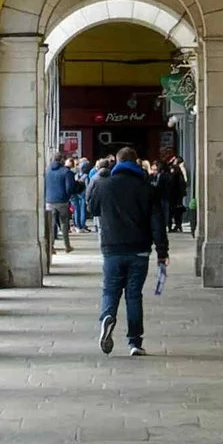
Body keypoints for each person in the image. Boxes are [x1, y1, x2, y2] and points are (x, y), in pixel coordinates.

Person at [85, 136, 166, 356]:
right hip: (139, 250)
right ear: (136, 162)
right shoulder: (147, 187)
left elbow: (92, 209)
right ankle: (135, 342)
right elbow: (157, 223)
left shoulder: (105, 185)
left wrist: (99, 180)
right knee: (133, 295)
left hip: (111, 248)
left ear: (117, 163)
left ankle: (107, 316)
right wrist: (162, 252)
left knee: (110, 289)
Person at [43, 143, 76, 264]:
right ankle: (67, 245)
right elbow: (70, 188)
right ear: (62, 160)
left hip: (49, 201)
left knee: (51, 225)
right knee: (64, 223)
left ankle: (51, 247)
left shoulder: (47, 171)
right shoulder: (66, 172)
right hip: (62, 201)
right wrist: (67, 196)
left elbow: (44, 186)